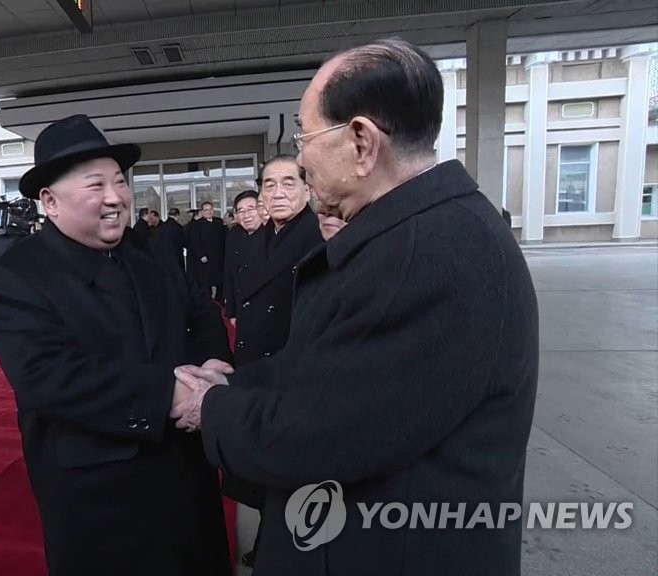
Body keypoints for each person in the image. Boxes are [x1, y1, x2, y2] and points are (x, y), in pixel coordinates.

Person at [171, 39, 539, 575]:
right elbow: (330, 367)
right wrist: (234, 383)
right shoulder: (415, 232)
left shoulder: (427, 255)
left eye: (305, 138)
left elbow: (319, 433)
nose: (300, 159)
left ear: (362, 142)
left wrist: (210, 408)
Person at [0, 114, 233, 576]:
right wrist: (169, 393)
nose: (116, 197)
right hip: (103, 500)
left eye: (119, 181)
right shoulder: (14, 277)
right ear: (50, 202)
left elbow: (199, 306)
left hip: (187, 475)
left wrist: (213, 363)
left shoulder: (148, 248)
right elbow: (47, 376)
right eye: (96, 185)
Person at [223, 157, 323, 567]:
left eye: (288, 183)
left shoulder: (318, 236)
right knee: (261, 466)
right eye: (269, 184)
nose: (277, 193)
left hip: (290, 369)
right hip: (254, 363)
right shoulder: (260, 237)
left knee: (285, 468)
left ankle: (281, 547)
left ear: (307, 189)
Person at [222, 190, 263, 326]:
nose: (246, 215)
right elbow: (229, 273)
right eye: (241, 211)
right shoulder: (234, 235)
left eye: (251, 209)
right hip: (241, 307)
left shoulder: (272, 235)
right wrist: (232, 311)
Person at [186, 200, 226, 300]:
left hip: (219, 258)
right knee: (206, 284)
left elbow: (224, 239)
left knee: (220, 283)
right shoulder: (197, 225)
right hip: (205, 259)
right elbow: (195, 242)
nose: (209, 212)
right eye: (206, 210)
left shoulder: (219, 222)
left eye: (210, 209)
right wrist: (201, 255)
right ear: (202, 212)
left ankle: (219, 303)